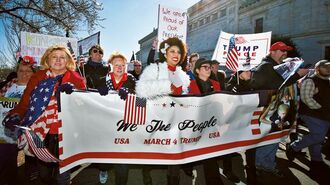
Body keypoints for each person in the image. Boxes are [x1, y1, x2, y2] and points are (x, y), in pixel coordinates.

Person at [3, 45, 86, 185]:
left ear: (68, 61)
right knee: (44, 174)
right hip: (41, 133)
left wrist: (74, 95)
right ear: (48, 59)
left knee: (63, 173)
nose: (58, 60)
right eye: (54, 57)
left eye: (62, 57)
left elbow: (85, 105)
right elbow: (25, 102)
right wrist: (15, 114)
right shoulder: (38, 76)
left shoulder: (75, 77)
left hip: (66, 132)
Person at [136, 37, 190, 185]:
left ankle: (173, 181)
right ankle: (146, 174)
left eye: (179, 52)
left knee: (175, 158)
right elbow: (141, 90)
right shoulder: (155, 69)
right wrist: (167, 86)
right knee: (151, 151)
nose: (176, 54)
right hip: (156, 120)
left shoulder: (183, 75)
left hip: (176, 122)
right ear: (164, 53)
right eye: (172, 51)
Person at [250, 41, 309, 178]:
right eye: (282, 50)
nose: (285, 54)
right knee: (270, 138)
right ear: (272, 51)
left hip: (278, 110)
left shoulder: (276, 66)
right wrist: (297, 75)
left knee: (275, 139)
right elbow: (275, 84)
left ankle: (267, 164)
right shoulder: (266, 66)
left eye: (286, 51)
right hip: (269, 111)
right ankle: (261, 164)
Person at [286, 60, 330, 179]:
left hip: (325, 115)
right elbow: (306, 98)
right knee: (318, 136)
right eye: (325, 67)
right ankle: (294, 146)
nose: (328, 69)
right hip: (312, 114)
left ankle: (316, 160)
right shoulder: (311, 80)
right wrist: (320, 108)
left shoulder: (328, 81)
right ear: (317, 69)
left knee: (317, 137)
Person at [97, 51, 136, 185]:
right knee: (104, 155)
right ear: (111, 66)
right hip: (106, 124)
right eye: (116, 65)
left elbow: (141, 97)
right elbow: (91, 102)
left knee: (122, 162)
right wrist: (97, 93)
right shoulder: (102, 80)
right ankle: (103, 169)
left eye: (122, 65)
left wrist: (131, 93)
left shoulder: (132, 79)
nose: (119, 68)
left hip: (124, 125)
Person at [0, 56, 37, 185]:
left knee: (24, 169)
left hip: (21, 133)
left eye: (28, 71)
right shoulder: (9, 85)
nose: (24, 74)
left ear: (33, 73)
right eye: (21, 70)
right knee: (4, 164)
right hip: (3, 132)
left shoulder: (36, 89)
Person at [188, 58, 224, 185]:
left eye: (210, 67)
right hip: (199, 126)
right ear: (197, 70)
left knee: (211, 155)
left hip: (213, 124)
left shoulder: (216, 84)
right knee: (208, 156)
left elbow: (221, 102)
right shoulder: (190, 85)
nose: (209, 69)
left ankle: (213, 180)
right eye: (205, 67)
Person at [80, 45, 109, 184]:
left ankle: (103, 168)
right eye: (95, 51)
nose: (98, 54)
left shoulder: (107, 69)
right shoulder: (82, 69)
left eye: (100, 52)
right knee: (87, 136)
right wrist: (80, 83)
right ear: (90, 54)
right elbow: (73, 85)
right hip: (86, 108)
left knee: (103, 139)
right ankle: (82, 162)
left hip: (104, 108)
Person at [225, 63, 257, 185]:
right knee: (229, 148)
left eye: (250, 71)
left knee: (251, 149)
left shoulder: (253, 84)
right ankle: (228, 170)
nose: (249, 73)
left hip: (249, 122)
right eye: (246, 71)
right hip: (233, 123)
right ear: (239, 74)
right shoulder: (231, 85)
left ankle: (252, 176)